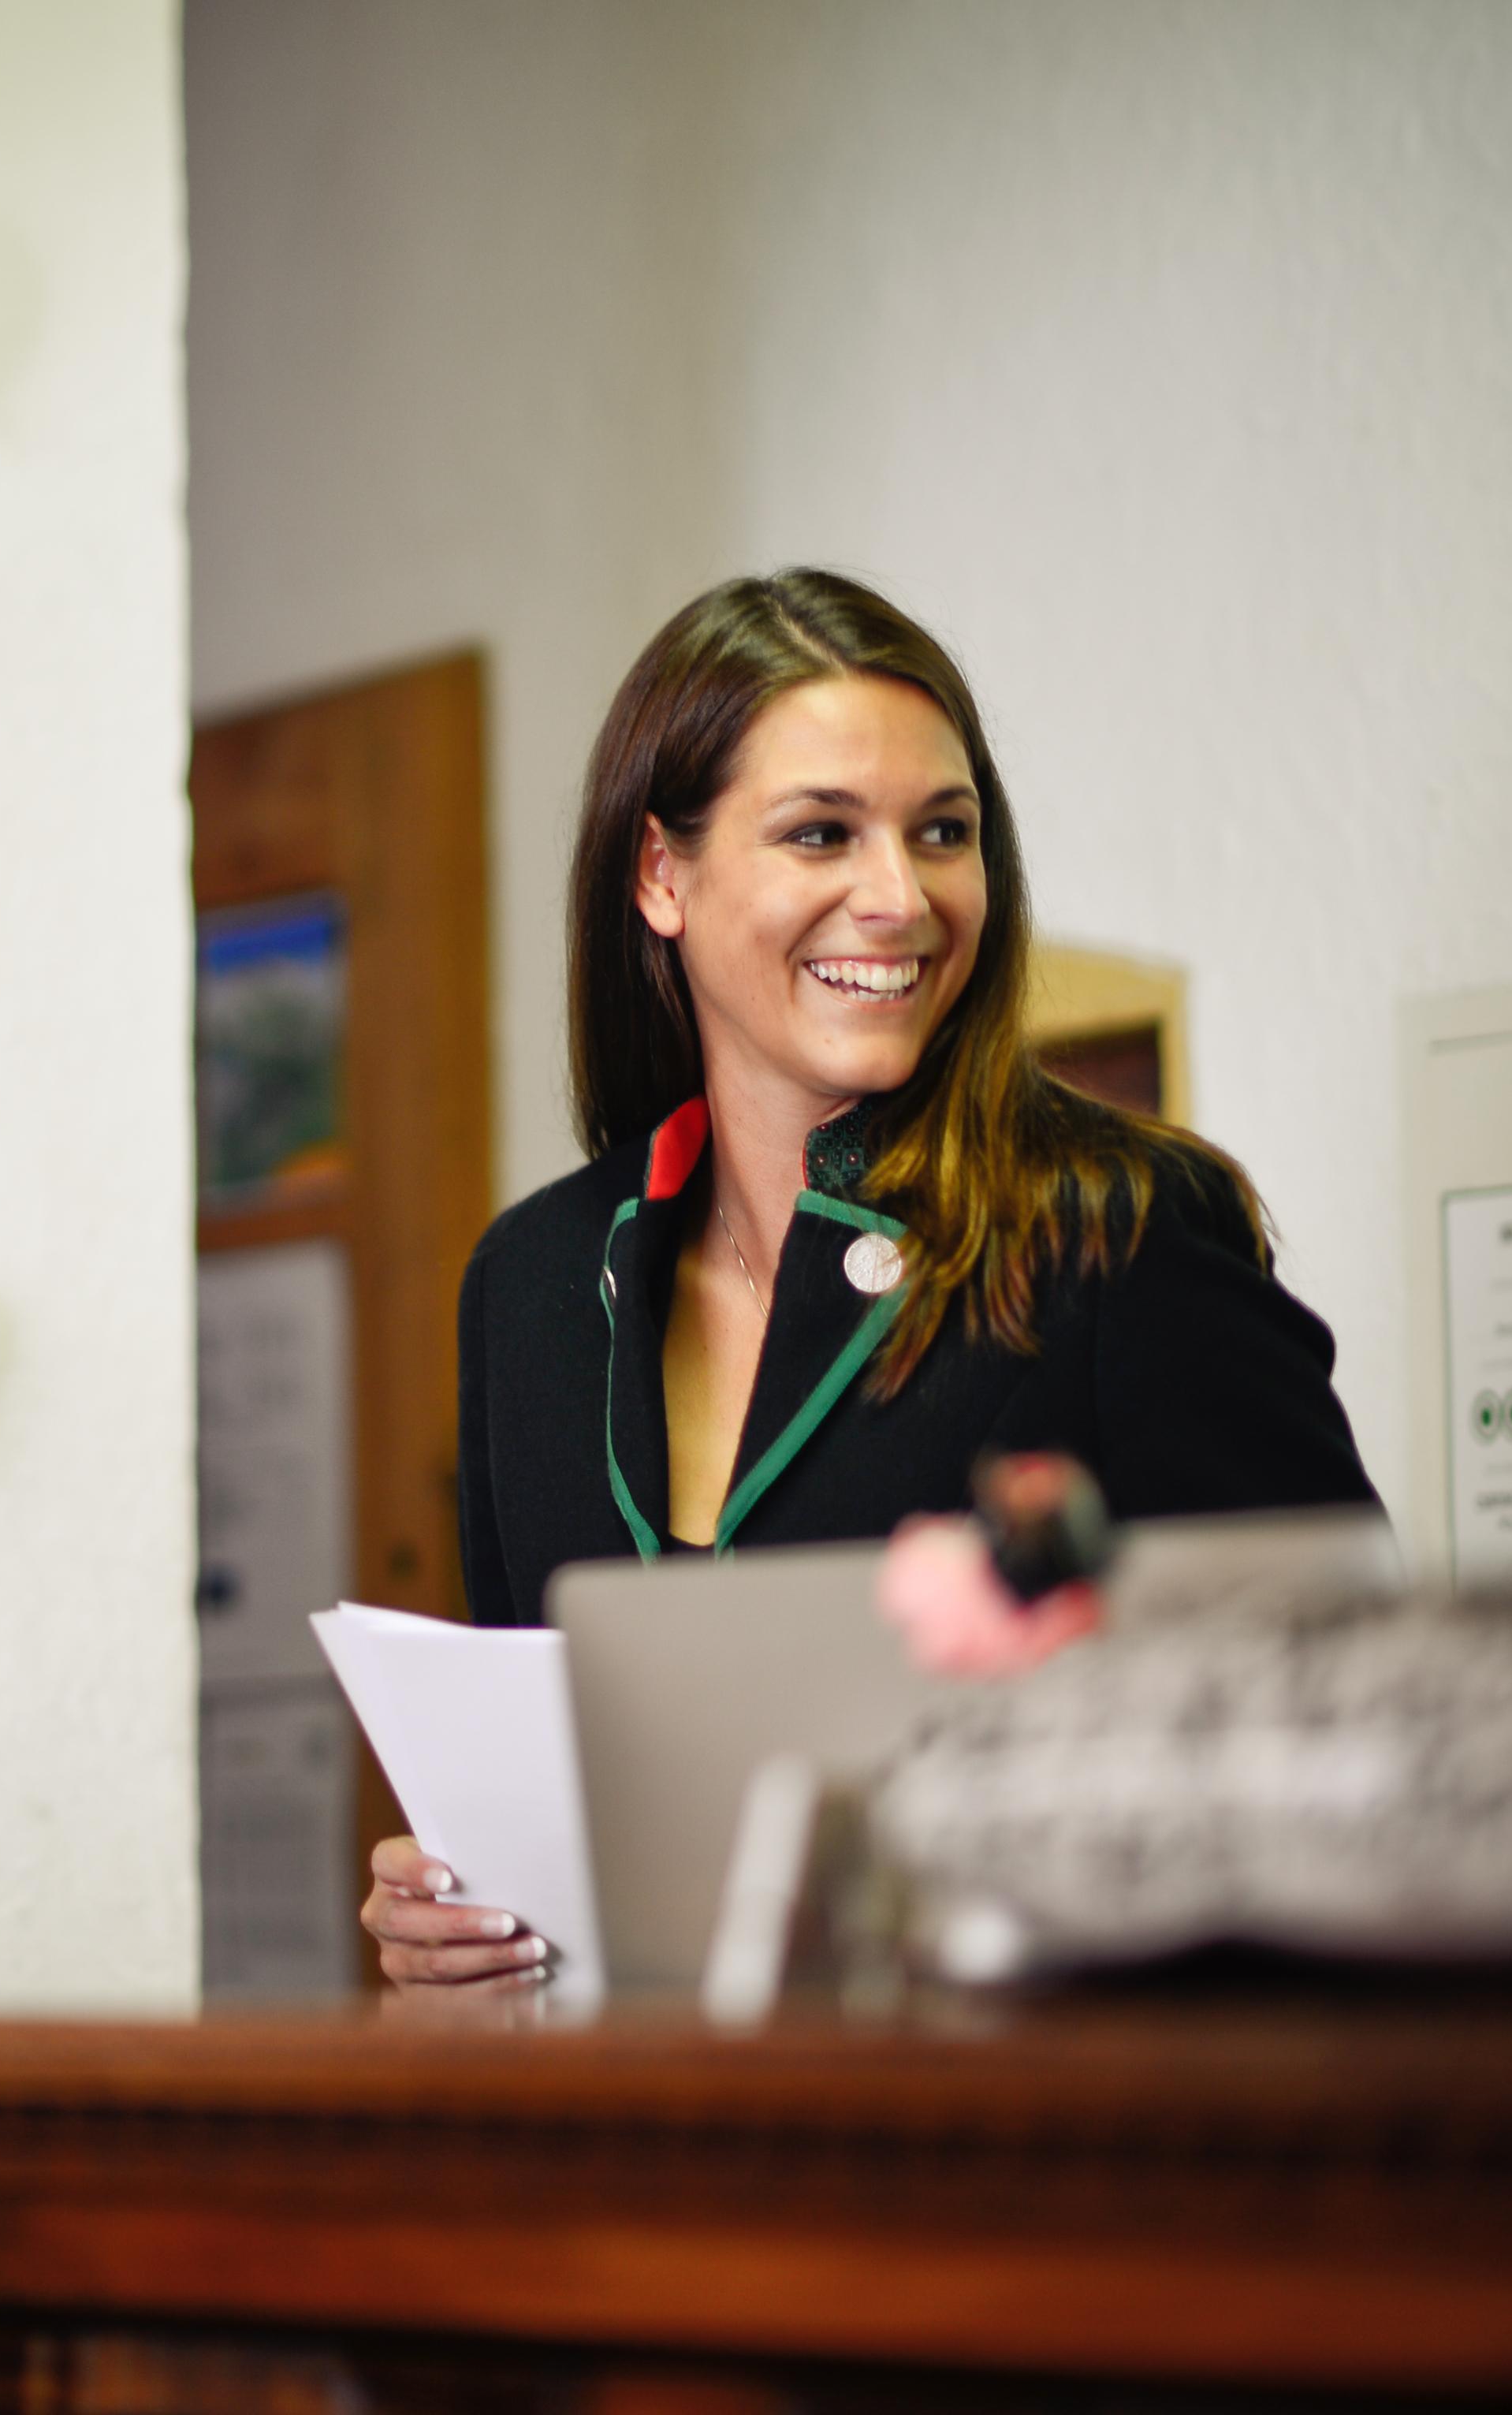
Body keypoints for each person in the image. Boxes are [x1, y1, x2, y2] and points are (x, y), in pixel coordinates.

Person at [363, 570, 1380, 1991]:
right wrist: (462, 1922)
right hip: (645, 2173)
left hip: (1026, 2149)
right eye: (822, 833)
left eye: (943, 833)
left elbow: (1350, 1739)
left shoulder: (1117, 1231)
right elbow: (537, 1800)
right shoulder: (530, 1288)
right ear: (661, 873)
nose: (899, 899)